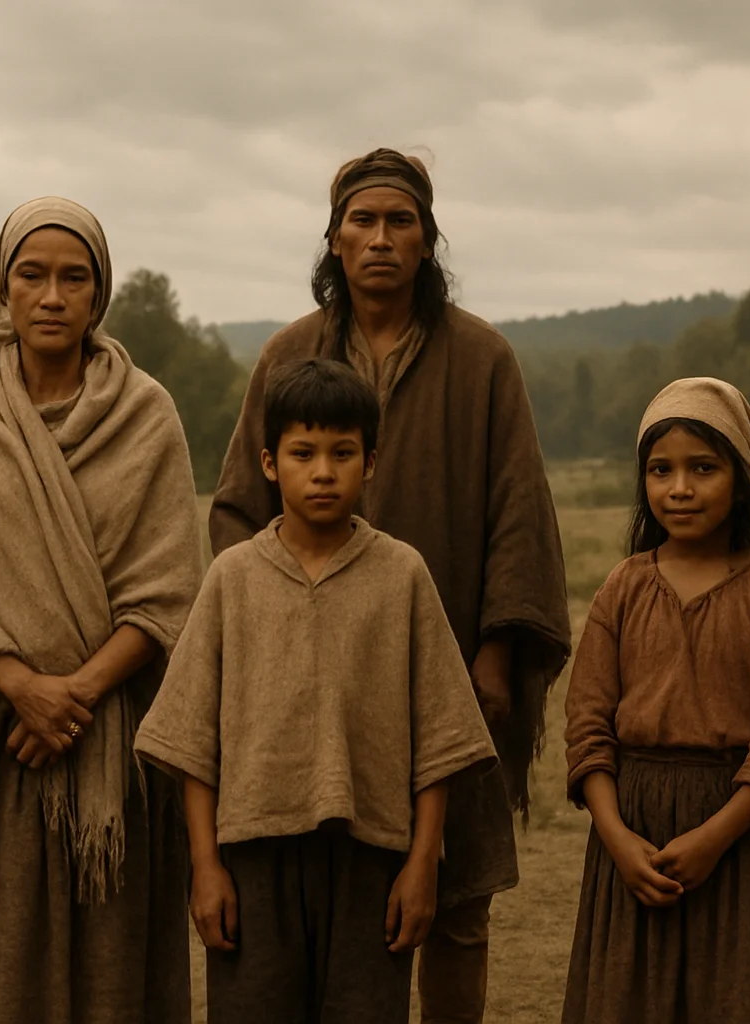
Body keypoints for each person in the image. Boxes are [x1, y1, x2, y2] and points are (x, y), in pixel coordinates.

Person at [209, 147, 571, 1022]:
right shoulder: (288, 356)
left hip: (451, 674)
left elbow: (518, 514)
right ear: (333, 239)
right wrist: (260, 649)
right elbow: (234, 512)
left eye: (399, 222)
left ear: (427, 239)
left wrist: (492, 656)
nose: (379, 239)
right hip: (312, 688)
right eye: (361, 222)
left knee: (453, 908)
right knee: (333, 901)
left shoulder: (483, 359)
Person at [0, 197, 202, 1024]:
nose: (52, 295)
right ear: (2, 289)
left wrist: (75, 692)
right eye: (32, 275)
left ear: (100, 294)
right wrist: (21, 685)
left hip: (109, 738)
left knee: (109, 970)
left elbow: (168, 593)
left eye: (73, 277)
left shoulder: (149, 417)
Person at [136, 358, 497, 1023]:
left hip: (372, 862)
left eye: (343, 453)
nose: (324, 471)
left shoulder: (401, 575)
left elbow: (441, 739)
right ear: (270, 464)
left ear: (372, 462)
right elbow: (191, 740)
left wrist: (422, 867)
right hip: (251, 864)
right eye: (303, 453)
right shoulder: (233, 578)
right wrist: (205, 866)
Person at [561, 376, 750, 1023]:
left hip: (742, 838)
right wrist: (617, 839)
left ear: (741, 476)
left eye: (703, 468)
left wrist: (714, 839)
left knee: (739, 996)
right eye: (661, 470)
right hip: (633, 836)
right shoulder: (624, 588)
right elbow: (587, 725)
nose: (680, 488)